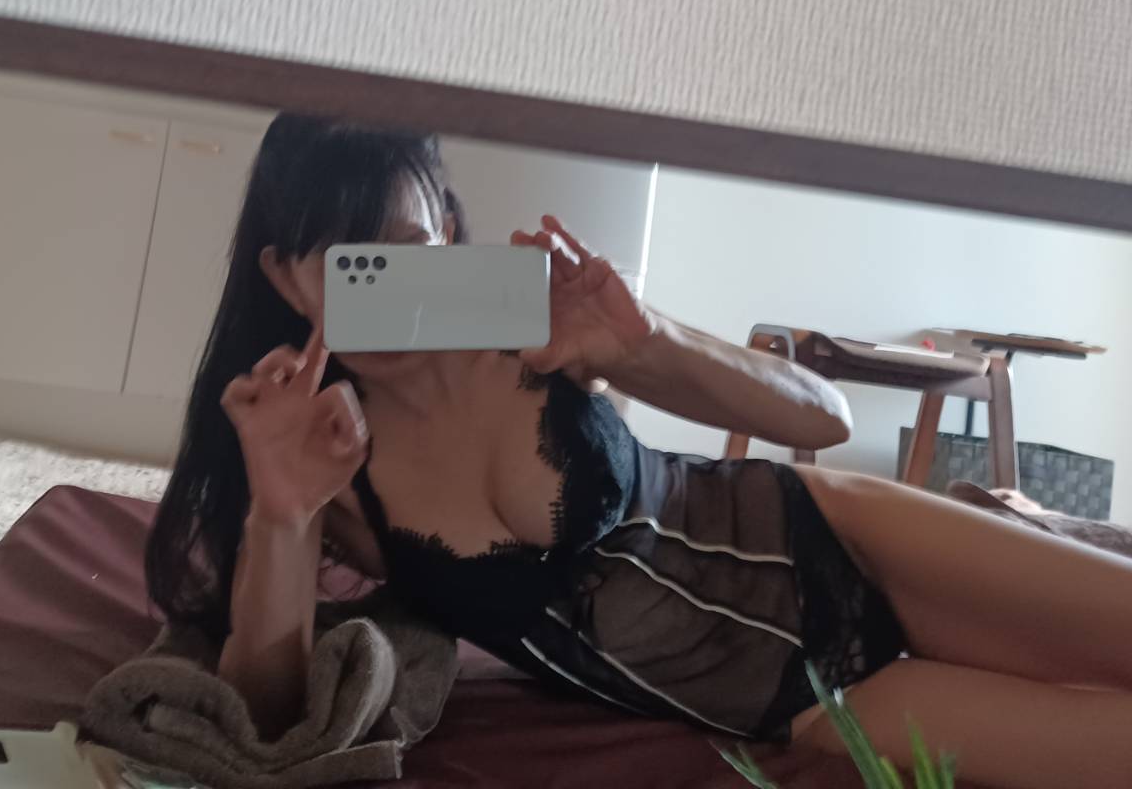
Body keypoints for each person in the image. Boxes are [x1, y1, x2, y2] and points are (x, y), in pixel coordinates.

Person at [147, 115, 1132, 788]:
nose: (392, 285)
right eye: (353, 265)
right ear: (286, 276)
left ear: (447, 226)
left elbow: (822, 419)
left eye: (409, 245)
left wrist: (644, 339)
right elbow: (264, 710)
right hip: (798, 702)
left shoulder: (536, 331)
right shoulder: (322, 457)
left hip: (849, 533)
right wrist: (282, 511)